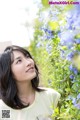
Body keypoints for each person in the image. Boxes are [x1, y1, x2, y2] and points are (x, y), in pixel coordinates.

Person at [0, 45, 60, 120]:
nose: (29, 62)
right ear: (8, 72)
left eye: (27, 56)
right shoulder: (4, 109)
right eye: (19, 61)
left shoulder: (51, 97)